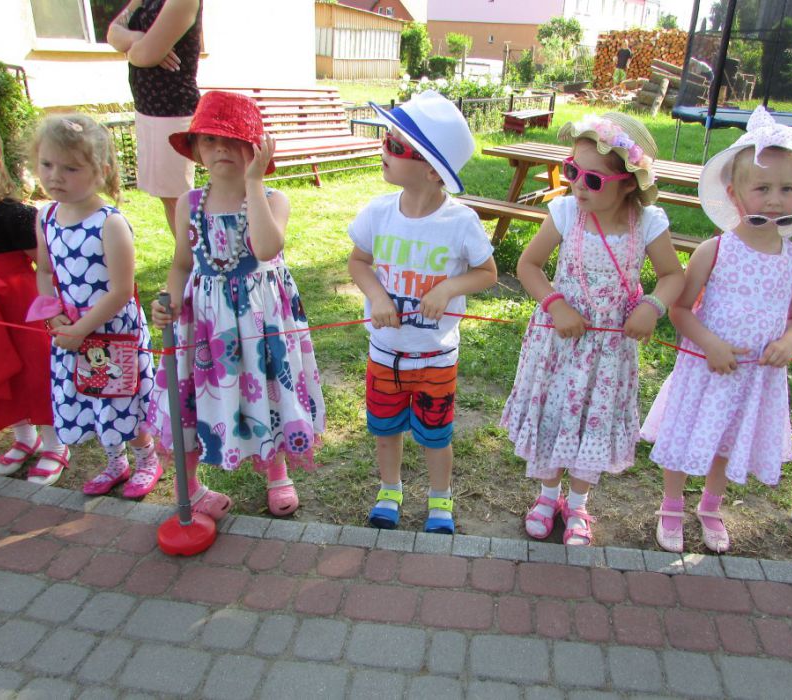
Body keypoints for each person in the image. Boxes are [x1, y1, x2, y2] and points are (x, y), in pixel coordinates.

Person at [641, 106, 792, 554]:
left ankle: (710, 506)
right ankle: (671, 505)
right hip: (707, 369)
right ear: (734, 193)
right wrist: (711, 344)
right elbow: (681, 310)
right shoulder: (715, 250)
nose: (775, 199)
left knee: (727, 442)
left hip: (754, 378)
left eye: (786, 189)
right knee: (684, 435)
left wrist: (789, 342)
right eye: (762, 188)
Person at [501, 112, 684, 546]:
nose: (579, 185)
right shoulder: (566, 212)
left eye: (594, 179)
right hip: (559, 343)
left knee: (592, 421)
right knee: (553, 414)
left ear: (628, 183)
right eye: (572, 171)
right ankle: (547, 496)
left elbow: (672, 275)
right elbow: (528, 266)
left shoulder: (649, 223)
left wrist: (652, 306)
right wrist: (556, 305)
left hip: (609, 354)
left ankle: (579, 503)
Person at [146, 91, 325, 519]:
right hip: (205, 324)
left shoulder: (273, 200)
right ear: (195, 148)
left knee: (268, 389)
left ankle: (277, 472)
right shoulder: (189, 204)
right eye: (209, 139)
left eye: (233, 140)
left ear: (257, 148)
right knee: (192, 396)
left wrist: (255, 182)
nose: (220, 148)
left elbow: (265, 248)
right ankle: (190, 487)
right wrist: (169, 300)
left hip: (262, 323)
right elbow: (181, 264)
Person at [348, 90, 497, 534]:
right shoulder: (377, 213)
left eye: (396, 145)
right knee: (385, 430)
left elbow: (487, 272)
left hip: (435, 357)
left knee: (436, 435)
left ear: (432, 170)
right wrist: (377, 297)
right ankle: (389, 491)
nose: (384, 148)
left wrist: (449, 288)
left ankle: (440, 500)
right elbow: (358, 262)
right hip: (385, 353)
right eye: (386, 139)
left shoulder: (461, 222)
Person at [31, 114, 160, 498]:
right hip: (71, 332)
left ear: (101, 171)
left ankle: (146, 459)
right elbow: (44, 272)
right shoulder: (45, 217)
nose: (55, 176)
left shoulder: (109, 224)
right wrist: (54, 314)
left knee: (119, 399)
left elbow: (120, 291)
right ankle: (115, 462)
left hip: (111, 332)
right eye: (47, 164)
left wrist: (80, 329)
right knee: (90, 398)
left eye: (70, 168)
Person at [0, 120, 69, 485]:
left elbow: (46, 266)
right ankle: (24, 437)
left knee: (34, 372)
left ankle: (55, 443)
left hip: (20, 306)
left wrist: (55, 307)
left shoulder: (13, 214)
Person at [107, 0, 201, 233]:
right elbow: (112, 34)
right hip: (148, 108)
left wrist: (135, 47)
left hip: (172, 108)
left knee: (178, 198)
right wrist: (139, 38)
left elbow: (144, 55)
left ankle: (196, 252)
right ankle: (186, 251)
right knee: (168, 196)